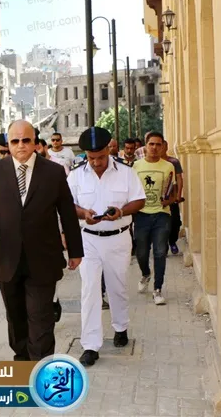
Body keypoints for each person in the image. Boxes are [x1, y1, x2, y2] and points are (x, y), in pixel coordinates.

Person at [0, 120, 84, 361]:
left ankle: (41, 366)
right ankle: (22, 360)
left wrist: (75, 250)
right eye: (15, 141)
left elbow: (67, 212)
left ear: (35, 142)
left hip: (43, 259)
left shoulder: (53, 172)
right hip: (6, 259)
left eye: (26, 140)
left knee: (41, 317)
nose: (21, 145)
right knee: (16, 317)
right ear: (8, 144)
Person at [67, 127, 146, 366]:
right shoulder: (76, 176)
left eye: (100, 157)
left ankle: (120, 327)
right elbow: (68, 205)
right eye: (91, 158)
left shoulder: (126, 172)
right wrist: (83, 213)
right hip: (88, 239)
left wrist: (121, 211)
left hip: (118, 238)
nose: (96, 162)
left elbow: (139, 200)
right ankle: (90, 345)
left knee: (117, 286)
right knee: (90, 290)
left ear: (108, 150)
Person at [133, 132, 176, 305]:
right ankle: (145, 273)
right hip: (141, 214)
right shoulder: (136, 166)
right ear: (146, 145)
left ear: (163, 146)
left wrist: (169, 200)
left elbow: (173, 191)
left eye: (158, 144)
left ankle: (158, 289)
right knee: (142, 252)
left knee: (159, 252)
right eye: (151, 144)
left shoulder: (168, 166)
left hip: (162, 214)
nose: (155, 147)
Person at [162, 140, 184, 255]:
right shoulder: (153, 163)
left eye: (163, 146)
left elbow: (179, 178)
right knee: (161, 223)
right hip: (159, 199)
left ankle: (172, 241)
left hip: (172, 197)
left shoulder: (174, 162)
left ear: (166, 147)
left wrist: (178, 195)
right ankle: (163, 245)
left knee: (175, 222)